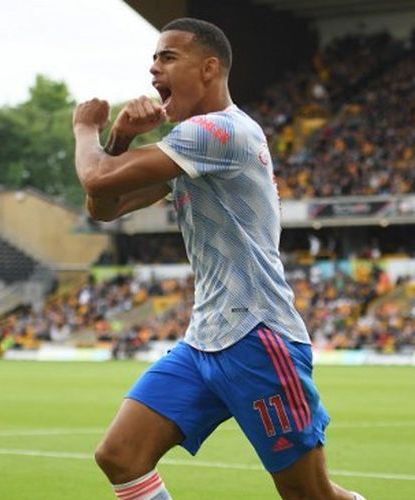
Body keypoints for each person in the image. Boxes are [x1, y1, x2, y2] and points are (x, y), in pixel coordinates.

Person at [72, 18, 363, 500]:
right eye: (152, 58)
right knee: (121, 456)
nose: (152, 69)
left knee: (310, 496)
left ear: (209, 68)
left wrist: (87, 129)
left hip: (258, 337)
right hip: (205, 339)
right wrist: (120, 139)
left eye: (167, 57)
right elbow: (104, 207)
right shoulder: (190, 145)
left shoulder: (220, 132)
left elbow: (97, 180)